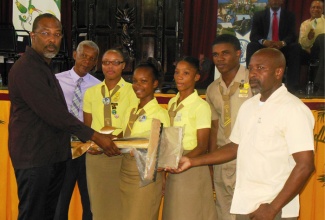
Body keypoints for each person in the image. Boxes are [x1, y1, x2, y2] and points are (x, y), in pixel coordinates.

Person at [170, 48, 315, 220]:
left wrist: (272, 208)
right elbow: (234, 147)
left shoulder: (293, 109)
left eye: (260, 68)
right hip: (246, 203)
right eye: (251, 68)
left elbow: (305, 165)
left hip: (275, 207)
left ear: (278, 72)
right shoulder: (249, 106)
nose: (253, 74)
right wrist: (192, 161)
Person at [8, 13, 119, 220]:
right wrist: (95, 136)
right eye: (45, 33)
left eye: (57, 34)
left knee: (47, 214)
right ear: (33, 36)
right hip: (35, 159)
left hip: (52, 156)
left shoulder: (43, 68)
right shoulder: (27, 69)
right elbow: (55, 114)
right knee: (33, 214)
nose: (52, 39)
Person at [83, 48, 138, 220]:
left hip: (121, 154)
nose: (110, 67)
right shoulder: (91, 92)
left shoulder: (133, 91)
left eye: (116, 62)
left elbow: (132, 123)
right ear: (101, 65)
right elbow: (87, 126)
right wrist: (95, 142)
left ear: (124, 65)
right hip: (96, 156)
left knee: (122, 205)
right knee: (99, 205)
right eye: (106, 62)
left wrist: (114, 141)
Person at [163, 56, 217, 220]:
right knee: (173, 211)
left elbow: (202, 145)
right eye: (177, 72)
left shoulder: (200, 106)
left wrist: (182, 159)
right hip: (173, 162)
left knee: (190, 212)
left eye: (186, 73)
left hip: (191, 163)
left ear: (196, 77)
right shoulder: (172, 102)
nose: (179, 76)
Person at [206, 34, 252, 220]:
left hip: (248, 157)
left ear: (238, 53)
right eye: (216, 55)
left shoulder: (254, 81)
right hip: (222, 158)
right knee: (224, 210)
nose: (220, 58)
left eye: (225, 53)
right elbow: (214, 127)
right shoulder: (212, 89)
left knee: (249, 210)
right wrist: (210, 161)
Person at [54, 40, 101, 220]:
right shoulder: (56, 81)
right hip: (63, 148)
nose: (87, 62)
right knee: (60, 201)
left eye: (92, 59)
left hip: (87, 148)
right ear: (75, 55)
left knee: (90, 202)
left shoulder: (98, 86)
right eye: (83, 56)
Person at [120, 58, 170, 220]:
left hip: (145, 175)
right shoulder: (131, 109)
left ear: (155, 83)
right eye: (134, 81)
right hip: (125, 171)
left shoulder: (159, 113)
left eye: (143, 81)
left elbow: (163, 149)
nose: (137, 86)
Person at [246, 0, 301, 93]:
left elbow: (292, 35)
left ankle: (292, 87)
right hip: (264, 47)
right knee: (251, 46)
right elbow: (254, 36)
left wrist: (282, 43)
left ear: (282, 1)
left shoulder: (290, 15)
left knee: (296, 47)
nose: (275, 1)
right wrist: (264, 42)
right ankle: (250, 82)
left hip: (282, 47)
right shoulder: (259, 15)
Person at [299, 0, 325, 95]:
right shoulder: (305, 24)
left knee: (322, 38)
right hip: (310, 51)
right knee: (322, 38)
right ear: (310, 9)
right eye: (313, 7)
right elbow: (302, 44)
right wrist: (309, 38)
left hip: (323, 51)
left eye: (318, 7)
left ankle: (320, 86)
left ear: (323, 10)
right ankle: (322, 86)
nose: (315, 9)